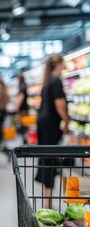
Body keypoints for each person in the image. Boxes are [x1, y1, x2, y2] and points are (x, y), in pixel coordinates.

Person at [35, 54, 70, 207]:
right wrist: (67, 120)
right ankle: (47, 198)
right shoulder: (56, 81)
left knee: (46, 158)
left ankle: (47, 196)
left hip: (43, 123)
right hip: (51, 124)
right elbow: (59, 104)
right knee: (50, 159)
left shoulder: (48, 81)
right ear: (59, 64)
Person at [15, 73, 29, 144]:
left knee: (23, 125)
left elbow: (21, 97)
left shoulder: (22, 87)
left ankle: (25, 140)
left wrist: (16, 107)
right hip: (25, 108)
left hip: (22, 110)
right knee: (24, 125)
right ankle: (25, 139)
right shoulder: (24, 86)